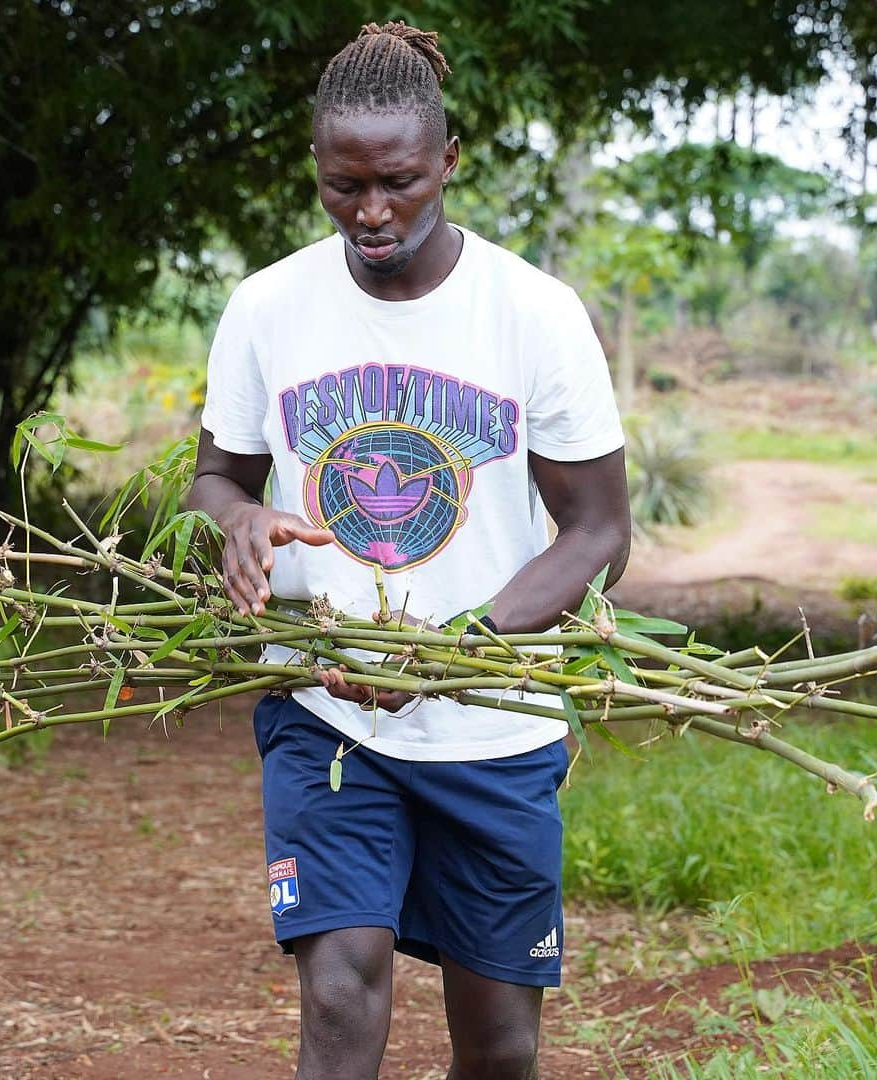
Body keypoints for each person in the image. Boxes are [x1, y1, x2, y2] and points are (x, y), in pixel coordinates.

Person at [188, 20, 630, 1080]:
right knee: (339, 988)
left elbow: (600, 533)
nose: (372, 213)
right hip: (326, 709)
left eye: (398, 183)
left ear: (448, 161)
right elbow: (216, 482)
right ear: (317, 168)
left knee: (502, 1046)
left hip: (493, 723)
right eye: (344, 186)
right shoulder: (267, 308)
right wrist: (237, 524)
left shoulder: (534, 314)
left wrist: (460, 648)